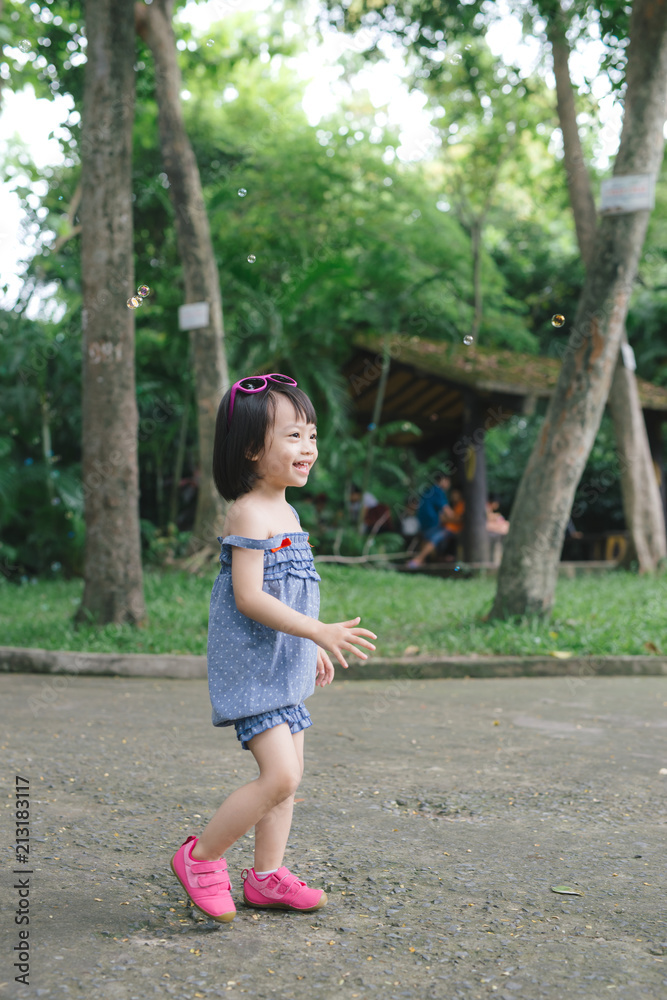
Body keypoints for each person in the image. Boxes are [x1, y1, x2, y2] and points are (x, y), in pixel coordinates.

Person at [171, 374, 377, 922]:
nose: (308, 447)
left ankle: (266, 877)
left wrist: (308, 647)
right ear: (250, 449)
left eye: (311, 435)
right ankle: (201, 858)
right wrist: (318, 632)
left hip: (284, 664)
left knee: (289, 784)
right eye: (293, 436)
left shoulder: (289, 513)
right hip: (254, 668)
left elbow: (296, 594)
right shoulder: (248, 512)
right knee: (280, 776)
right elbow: (249, 597)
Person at [407, 471, 454, 569]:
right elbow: (448, 512)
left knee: (426, 538)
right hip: (432, 522)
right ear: (443, 480)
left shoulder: (428, 491)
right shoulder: (438, 492)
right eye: (448, 481)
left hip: (423, 523)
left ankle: (422, 560)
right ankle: (418, 559)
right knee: (439, 535)